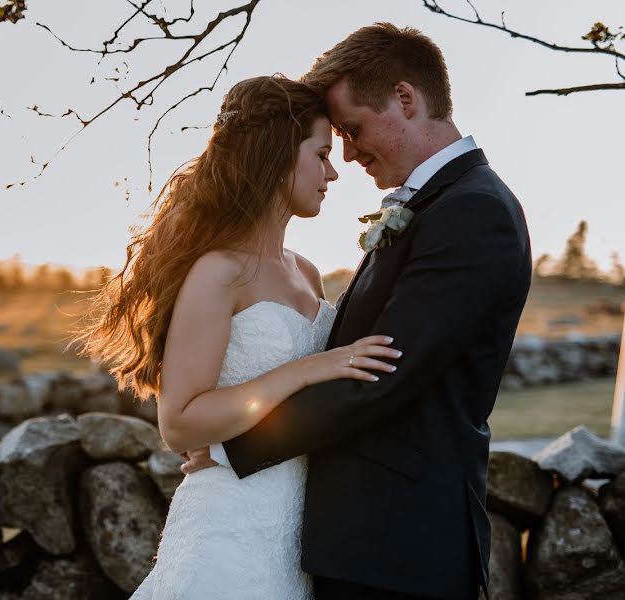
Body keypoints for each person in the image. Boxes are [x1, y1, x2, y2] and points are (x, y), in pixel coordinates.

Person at [184, 23, 533, 600]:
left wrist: (229, 446)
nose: (346, 153)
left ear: (404, 99)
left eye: (353, 129)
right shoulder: (439, 205)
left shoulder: (474, 211)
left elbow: (382, 375)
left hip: (400, 547)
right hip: (366, 541)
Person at [78, 74, 401, 599]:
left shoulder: (307, 273)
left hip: (300, 532)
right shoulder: (218, 272)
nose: (333, 172)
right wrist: (307, 369)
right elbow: (180, 423)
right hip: (228, 530)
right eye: (320, 154)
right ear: (277, 158)